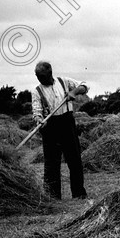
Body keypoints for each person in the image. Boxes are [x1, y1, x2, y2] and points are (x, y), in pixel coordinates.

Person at [31, 61, 88, 200]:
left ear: (50, 73)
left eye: (42, 76)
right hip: (49, 126)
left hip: (67, 123)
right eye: (38, 76)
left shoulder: (64, 81)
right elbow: (36, 110)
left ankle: (79, 194)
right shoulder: (36, 91)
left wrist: (74, 92)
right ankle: (53, 197)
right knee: (51, 164)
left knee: (74, 159)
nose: (40, 79)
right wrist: (39, 120)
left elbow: (85, 86)